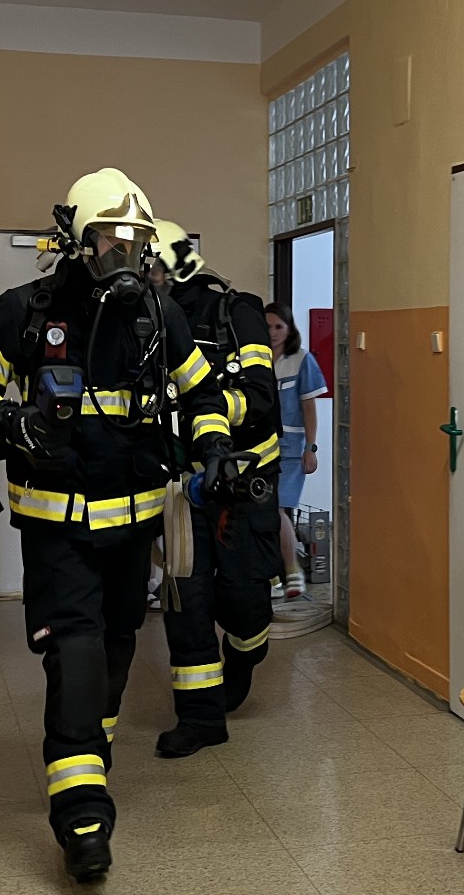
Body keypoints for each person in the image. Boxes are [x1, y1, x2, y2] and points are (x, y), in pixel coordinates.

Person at [0, 169, 235, 883]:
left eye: (136, 240)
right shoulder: (26, 309)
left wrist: (213, 445)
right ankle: (83, 819)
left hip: (134, 528)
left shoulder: (160, 316)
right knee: (75, 655)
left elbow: (202, 392)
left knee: (114, 650)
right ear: (78, 240)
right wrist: (11, 422)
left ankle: (86, 758)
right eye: (111, 238)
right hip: (59, 529)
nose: (125, 252)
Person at [147, 219, 283, 756]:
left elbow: (261, 398)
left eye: (150, 268)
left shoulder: (236, 313)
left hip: (242, 482)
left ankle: (246, 652)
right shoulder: (146, 320)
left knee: (243, 595)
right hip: (181, 489)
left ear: (173, 268)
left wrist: (202, 409)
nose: (142, 278)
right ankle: (201, 718)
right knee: (187, 600)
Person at [266, 302, 327, 598]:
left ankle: (290, 573)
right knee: (263, 511)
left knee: (276, 509)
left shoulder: (302, 360)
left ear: (290, 329)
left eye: (279, 326)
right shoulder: (255, 358)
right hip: (260, 447)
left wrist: (310, 448)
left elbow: (309, 407)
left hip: (290, 448)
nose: (273, 332)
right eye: (268, 326)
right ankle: (273, 575)